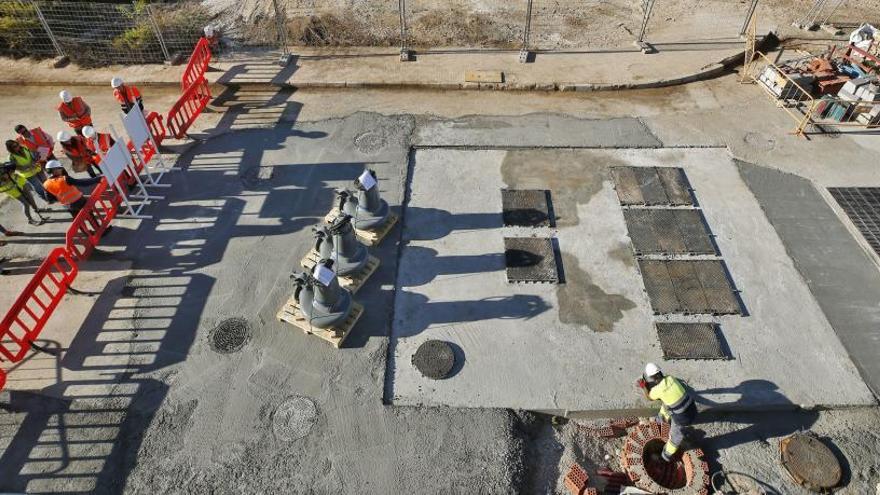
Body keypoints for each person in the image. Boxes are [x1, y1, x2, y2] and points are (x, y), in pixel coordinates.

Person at [637, 363, 698, 462]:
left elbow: (649, 397)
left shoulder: (658, 390)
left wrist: (644, 386)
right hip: (692, 408)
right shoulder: (671, 378)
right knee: (666, 403)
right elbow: (667, 392)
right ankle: (660, 421)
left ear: (652, 378)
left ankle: (664, 456)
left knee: (675, 439)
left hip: (684, 419)